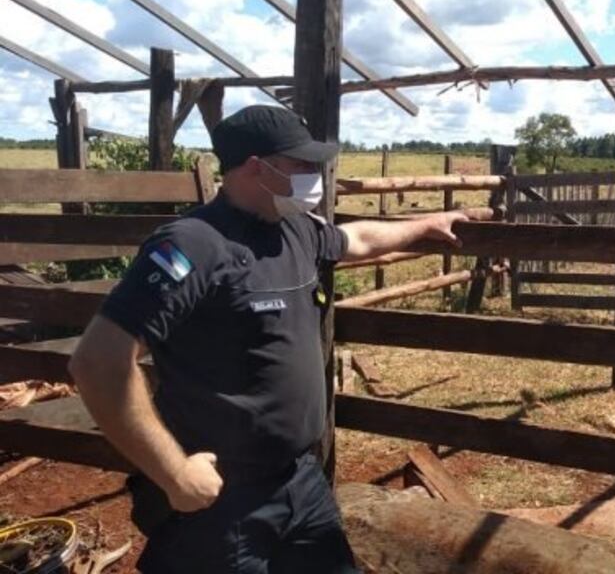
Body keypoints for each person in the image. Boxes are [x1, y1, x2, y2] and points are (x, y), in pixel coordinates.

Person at [67, 105, 468, 573]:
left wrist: (423, 226)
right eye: (301, 165)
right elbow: (97, 361)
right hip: (222, 499)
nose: (315, 175)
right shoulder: (192, 244)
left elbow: (355, 239)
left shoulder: (296, 229)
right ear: (257, 166)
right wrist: (173, 473)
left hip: (300, 480)